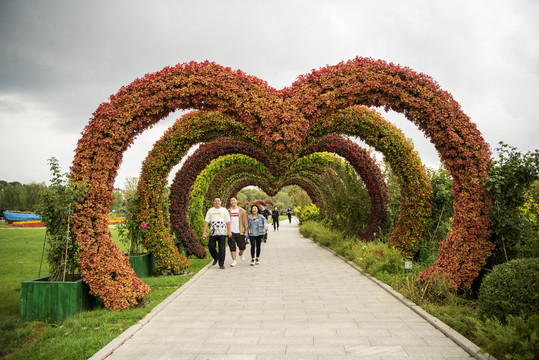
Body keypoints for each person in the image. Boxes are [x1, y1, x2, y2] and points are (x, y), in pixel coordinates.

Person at [202, 197, 231, 269]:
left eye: (218, 201)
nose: (217, 202)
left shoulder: (224, 210)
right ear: (213, 202)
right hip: (213, 231)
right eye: (216, 201)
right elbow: (207, 221)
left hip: (222, 231)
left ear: (221, 202)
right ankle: (216, 257)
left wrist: (229, 231)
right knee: (211, 246)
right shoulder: (210, 210)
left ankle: (221, 264)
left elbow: (228, 222)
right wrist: (204, 231)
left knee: (222, 248)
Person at [227, 197, 248, 267]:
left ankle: (241, 253)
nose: (233, 201)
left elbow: (245, 222)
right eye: (231, 200)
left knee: (242, 246)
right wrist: (228, 231)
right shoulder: (228, 211)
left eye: (234, 200)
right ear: (230, 202)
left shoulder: (242, 211)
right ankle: (234, 261)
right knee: (232, 247)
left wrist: (246, 231)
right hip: (231, 232)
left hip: (240, 232)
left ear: (237, 201)